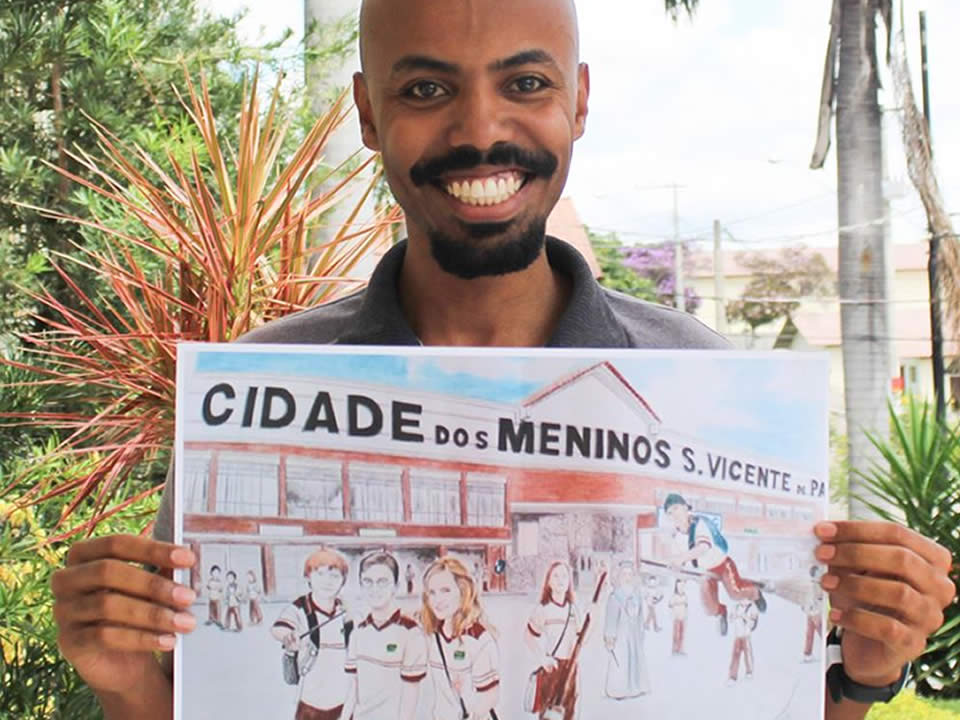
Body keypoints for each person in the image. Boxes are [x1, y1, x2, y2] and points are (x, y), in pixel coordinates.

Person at [48, 2, 957, 719]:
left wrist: (861, 676)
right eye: (425, 89)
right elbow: (207, 698)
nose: (480, 129)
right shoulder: (254, 390)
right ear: (367, 113)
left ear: (580, 101)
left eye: (525, 82)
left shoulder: (700, 377)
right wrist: (123, 681)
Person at [340, 552, 426, 720]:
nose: (374, 589)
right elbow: (353, 688)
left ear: (396, 586)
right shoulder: (358, 633)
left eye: (382, 582)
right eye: (368, 582)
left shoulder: (411, 633)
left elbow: (410, 697)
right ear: (361, 586)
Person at [663, 493, 765, 637]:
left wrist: (681, 558)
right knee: (708, 606)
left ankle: (755, 592)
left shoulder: (700, 524)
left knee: (735, 592)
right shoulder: (676, 536)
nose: (674, 514)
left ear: (685, 508)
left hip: (721, 564)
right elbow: (679, 559)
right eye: (669, 512)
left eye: (676, 508)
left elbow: (703, 547)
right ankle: (721, 613)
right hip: (705, 572)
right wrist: (676, 565)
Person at [272, 548, 352, 720]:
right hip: (311, 703)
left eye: (334, 576)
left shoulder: (346, 610)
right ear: (308, 577)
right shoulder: (300, 607)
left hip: (344, 703)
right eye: (320, 574)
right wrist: (290, 637)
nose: (327, 581)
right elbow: (278, 628)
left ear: (343, 581)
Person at [421, 556, 500, 720]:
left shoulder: (478, 639)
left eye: (446, 590)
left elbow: (490, 695)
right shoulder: (431, 634)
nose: (438, 600)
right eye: (432, 592)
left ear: (463, 591)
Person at [524, 561, 592, 720]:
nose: (560, 580)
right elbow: (528, 636)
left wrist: (593, 617)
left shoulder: (574, 610)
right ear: (548, 582)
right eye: (555, 576)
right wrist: (543, 659)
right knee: (548, 712)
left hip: (571, 667)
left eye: (564, 576)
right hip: (552, 668)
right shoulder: (543, 609)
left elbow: (582, 638)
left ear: (569, 582)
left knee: (569, 710)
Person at [603, 562, 651, 700]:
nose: (627, 577)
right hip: (621, 635)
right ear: (619, 576)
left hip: (634, 634)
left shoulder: (637, 595)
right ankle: (619, 689)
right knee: (622, 659)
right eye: (624, 574)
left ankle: (636, 686)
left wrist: (641, 630)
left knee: (635, 658)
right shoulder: (615, 597)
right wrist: (610, 637)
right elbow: (611, 619)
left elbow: (640, 616)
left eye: (630, 574)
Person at [728, 600, 759, 686]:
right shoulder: (736, 606)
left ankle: (749, 672)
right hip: (737, 635)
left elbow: (752, 624)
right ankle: (732, 677)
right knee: (735, 656)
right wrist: (734, 616)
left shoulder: (753, 607)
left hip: (746, 635)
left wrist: (745, 617)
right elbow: (730, 619)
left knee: (748, 654)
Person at [803, 566, 825, 663]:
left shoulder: (812, 584)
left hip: (811, 611)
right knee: (820, 631)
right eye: (818, 572)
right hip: (815, 612)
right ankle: (808, 654)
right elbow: (818, 598)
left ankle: (807, 654)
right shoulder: (816, 584)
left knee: (810, 633)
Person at [669, 580, 688, 656]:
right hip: (676, 617)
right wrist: (678, 604)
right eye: (679, 586)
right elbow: (670, 604)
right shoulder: (674, 596)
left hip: (683, 617)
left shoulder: (685, 596)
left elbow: (686, 605)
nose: (681, 588)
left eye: (682, 586)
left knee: (681, 634)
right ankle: (674, 649)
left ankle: (680, 649)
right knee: (676, 634)